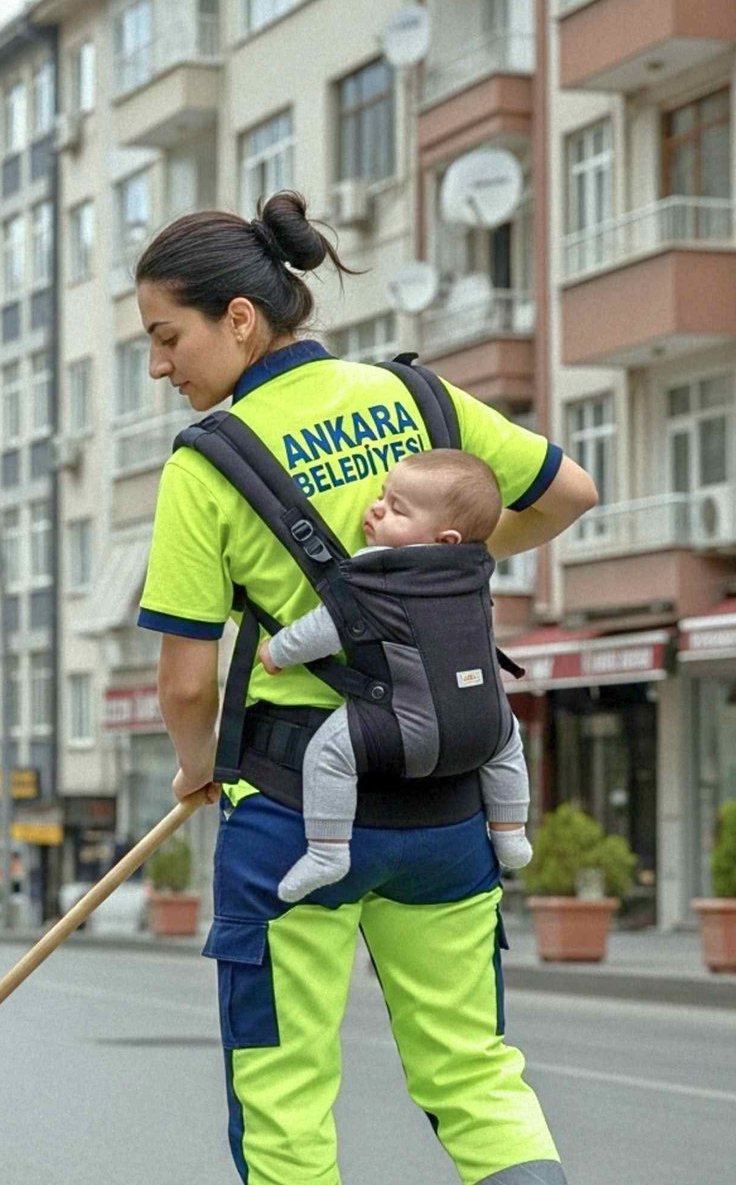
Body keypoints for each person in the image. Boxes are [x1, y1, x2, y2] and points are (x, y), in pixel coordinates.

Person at [135, 190, 597, 1185]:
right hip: (444, 807)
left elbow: (184, 683)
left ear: (242, 320)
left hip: (295, 809)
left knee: (287, 1098)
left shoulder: (207, 464)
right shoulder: (416, 400)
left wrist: (194, 773)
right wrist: (461, 564)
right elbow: (569, 491)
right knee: (477, 1078)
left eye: (169, 337)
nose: (160, 364)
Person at [258, 449, 533, 903]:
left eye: (397, 509)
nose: (376, 507)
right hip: (485, 723)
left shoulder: (380, 580)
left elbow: (327, 628)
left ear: (445, 539)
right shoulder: (475, 574)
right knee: (510, 746)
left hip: (405, 731)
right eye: (383, 496)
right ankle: (510, 833)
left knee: (328, 754)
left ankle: (328, 852)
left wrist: (277, 652)